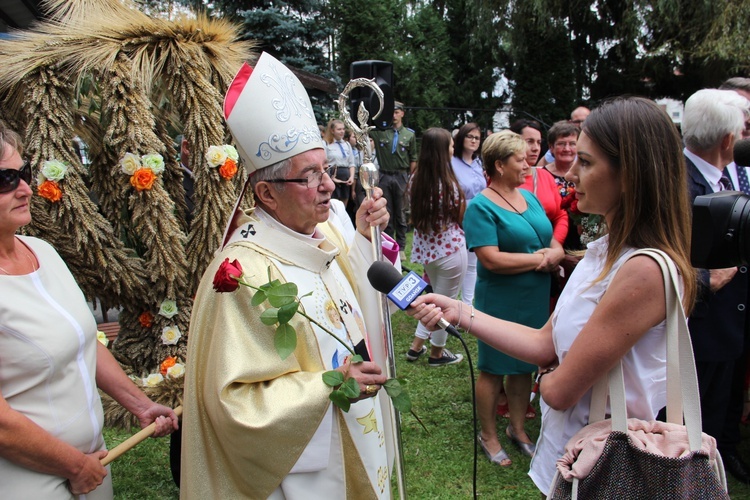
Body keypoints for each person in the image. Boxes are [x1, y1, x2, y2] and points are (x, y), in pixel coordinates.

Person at [407, 97, 697, 495]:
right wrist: (459, 311)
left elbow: (560, 392)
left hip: (608, 468)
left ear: (630, 173)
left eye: (587, 162)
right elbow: (545, 342)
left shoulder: (643, 270)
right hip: (576, 458)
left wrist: (548, 376)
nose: (571, 173)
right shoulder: (603, 253)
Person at [181, 52, 397, 499]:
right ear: (266, 193)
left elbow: (349, 305)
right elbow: (233, 403)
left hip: (357, 434)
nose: (328, 185)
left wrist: (360, 236)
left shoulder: (317, 240)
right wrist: (331, 386)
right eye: (310, 176)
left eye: (326, 169)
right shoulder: (243, 273)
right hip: (301, 472)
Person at [0, 120, 178, 498]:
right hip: (28, 479)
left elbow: (83, 341)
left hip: (91, 463)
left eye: (25, 173)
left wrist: (140, 404)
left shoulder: (43, 252)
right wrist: (72, 465)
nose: (26, 189)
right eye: (6, 180)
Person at [463, 130, 563, 467]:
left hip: (532, 297)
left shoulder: (528, 197)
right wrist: (541, 260)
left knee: (524, 366)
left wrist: (557, 250)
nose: (527, 163)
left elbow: (548, 234)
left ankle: (517, 429)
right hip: (499, 300)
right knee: (493, 369)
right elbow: (490, 259)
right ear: (499, 165)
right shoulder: (480, 206)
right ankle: (488, 434)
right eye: (519, 159)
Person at [682, 88, 750, 484]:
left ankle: (716, 464)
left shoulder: (730, 174)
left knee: (720, 407)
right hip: (697, 329)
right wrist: (710, 277)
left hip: (730, 324)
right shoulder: (678, 182)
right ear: (728, 141)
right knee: (692, 418)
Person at [405, 128, 465, 367]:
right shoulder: (447, 183)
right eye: (450, 146)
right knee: (445, 305)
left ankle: (416, 346)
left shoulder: (415, 179)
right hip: (450, 249)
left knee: (434, 301)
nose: (453, 150)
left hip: (429, 252)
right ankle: (437, 354)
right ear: (442, 151)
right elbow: (459, 216)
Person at [370, 101, 418, 258]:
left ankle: (402, 246)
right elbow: (365, 129)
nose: (394, 115)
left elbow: (413, 158)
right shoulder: (381, 133)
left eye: (397, 112)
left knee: (401, 212)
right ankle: (390, 243)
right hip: (384, 174)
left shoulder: (409, 134)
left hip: (401, 175)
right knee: (387, 211)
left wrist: (410, 179)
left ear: (402, 113)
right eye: (391, 112)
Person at [451, 122, 485, 306]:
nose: (473, 141)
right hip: (458, 218)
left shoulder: (479, 163)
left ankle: (467, 304)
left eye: (477, 138)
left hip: (478, 218)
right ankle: (451, 302)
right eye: (469, 136)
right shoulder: (452, 163)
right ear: (461, 138)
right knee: (458, 263)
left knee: (473, 263)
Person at [324, 119, 356, 205]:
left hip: (345, 176)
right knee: (333, 201)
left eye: (343, 129)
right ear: (332, 130)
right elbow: (324, 163)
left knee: (344, 200)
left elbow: (351, 163)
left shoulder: (347, 144)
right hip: (332, 175)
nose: (342, 131)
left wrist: (351, 177)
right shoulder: (326, 144)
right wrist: (331, 177)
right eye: (339, 129)